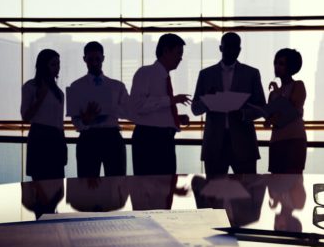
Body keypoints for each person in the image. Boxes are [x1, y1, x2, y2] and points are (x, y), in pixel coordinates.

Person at [191, 32, 266, 176]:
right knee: (213, 194)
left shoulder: (252, 74)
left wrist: (243, 114)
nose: (232, 50)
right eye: (228, 47)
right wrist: (208, 100)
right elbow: (195, 109)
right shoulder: (205, 74)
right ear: (221, 48)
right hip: (215, 143)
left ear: (240, 50)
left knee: (248, 192)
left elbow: (261, 107)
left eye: (235, 47)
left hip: (244, 142)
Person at [130, 33, 191, 175]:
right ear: (165, 51)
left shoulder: (164, 76)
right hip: (149, 139)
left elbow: (154, 110)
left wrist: (175, 117)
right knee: (146, 188)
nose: (180, 58)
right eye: (178, 53)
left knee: (167, 187)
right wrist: (171, 100)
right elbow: (137, 106)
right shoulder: (145, 73)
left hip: (165, 139)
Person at [69, 41, 128, 178]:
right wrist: (85, 121)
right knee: (86, 187)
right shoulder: (76, 87)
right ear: (84, 59)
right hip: (89, 137)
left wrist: (112, 107)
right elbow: (75, 121)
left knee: (116, 184)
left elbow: (129, 112)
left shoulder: (117, 86)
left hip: (112, 137)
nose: (94, 62)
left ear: (103, 58)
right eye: (90, 59)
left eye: (97, 59)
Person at [21, 49, 67, 180]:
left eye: (58, 64)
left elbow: (60, 121)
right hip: (40, 136)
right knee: (40, 184)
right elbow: (26, 116)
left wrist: (63, 144)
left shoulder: (58, 92)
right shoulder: (30, 86)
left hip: (57, 137)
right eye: (53, 64)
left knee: (57, 184)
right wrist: (40, 97)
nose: (57, 68)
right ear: (43, 65)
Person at [265, 48, 307, 173]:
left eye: (281, 64)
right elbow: (270, 118)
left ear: (291, 66)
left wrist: (278, 92)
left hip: (294, 139)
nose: (277, 66)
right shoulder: (272, 94)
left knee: (294, 183)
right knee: (276, 184)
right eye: (276, 63)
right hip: (277, 140)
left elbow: (292, 112)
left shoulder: (298, 85)